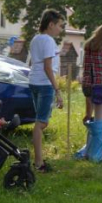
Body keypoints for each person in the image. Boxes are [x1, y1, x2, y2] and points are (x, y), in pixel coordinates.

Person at [28, 9, 65, 172]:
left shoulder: (35, 39)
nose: (61, 29)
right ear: (51, 24)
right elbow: (48, 67)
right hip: (44, 84)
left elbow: (34, 62)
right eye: (59, 26)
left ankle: (38, 159)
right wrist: (57, 90)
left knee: (40, 121)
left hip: (34, 82)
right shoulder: (49, 41)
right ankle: (38, 163)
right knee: (41, 122)